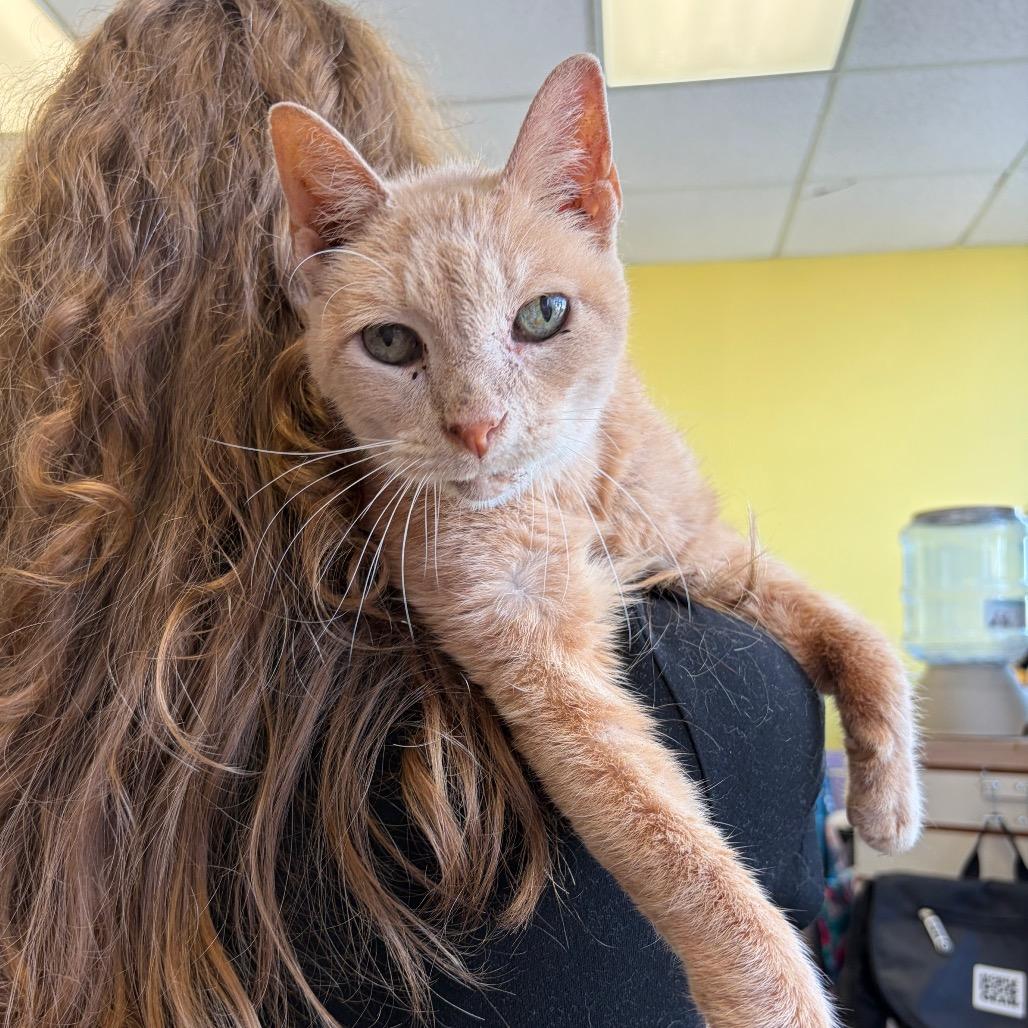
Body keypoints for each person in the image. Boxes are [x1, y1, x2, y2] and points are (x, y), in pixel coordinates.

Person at [0, 1, 825, 1025]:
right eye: (395, 343)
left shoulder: (44, 698)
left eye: (536, 319)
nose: (477, 422)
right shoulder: (722, 693)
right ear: (312, 247)